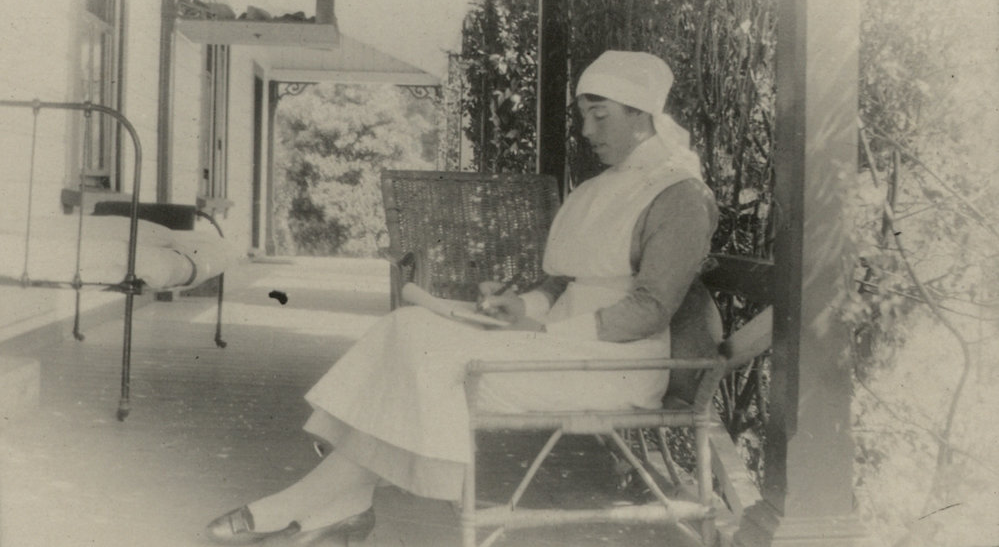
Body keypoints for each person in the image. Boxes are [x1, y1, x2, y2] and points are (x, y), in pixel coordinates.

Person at [205, 50, 719, 545]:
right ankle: (343, 499)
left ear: (641, 114)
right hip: (560, 345)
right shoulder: (601, 187)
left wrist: (546, 330)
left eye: (599, 115)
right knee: (405, 326)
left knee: (432, 357)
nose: (586, 131)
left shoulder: (679, 195)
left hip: (617, 364)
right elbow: (564, 282)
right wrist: (523, 309)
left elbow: (651, 309)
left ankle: (324, 498)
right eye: (584, 115)